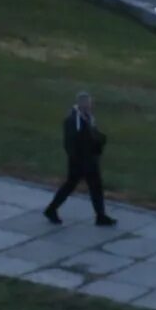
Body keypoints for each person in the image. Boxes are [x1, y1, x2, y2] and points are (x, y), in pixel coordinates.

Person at [45, 91, 115, 226]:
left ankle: (100, 216)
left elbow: (92, 134)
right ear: (82, 104)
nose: (90, 106)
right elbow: (72, 142)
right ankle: (51, 209)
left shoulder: (86, 117)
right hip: (80, 161)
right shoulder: (73, 121)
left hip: (89, 160)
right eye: (88, 103)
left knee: (94, 187)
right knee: (72, 186)